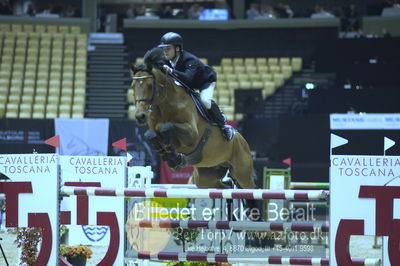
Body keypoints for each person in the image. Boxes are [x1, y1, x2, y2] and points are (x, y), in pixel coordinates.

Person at [158, 32, 234, 141]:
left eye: (168, 49)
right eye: (163, 49)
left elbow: (188, 78)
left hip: (205, 81)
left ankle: (223, 124)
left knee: (205, 100)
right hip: (186, 83)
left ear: (177, 48)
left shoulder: (190, 60)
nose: (165, 52)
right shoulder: (165, 60)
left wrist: (171, 71)